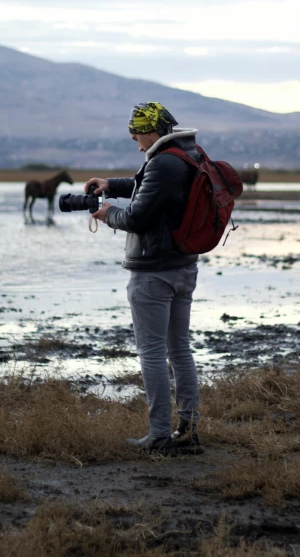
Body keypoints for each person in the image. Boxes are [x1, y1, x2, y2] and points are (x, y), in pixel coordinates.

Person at [85, 102, 202, 456]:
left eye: (137, 136)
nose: (137, 144)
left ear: (151, 130)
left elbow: (136, 217)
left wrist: (108, 214)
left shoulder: (162, 161)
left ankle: (159, 437)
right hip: (183, 266)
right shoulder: (186, 152)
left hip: (154, 272)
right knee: (179, 349)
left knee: (151, 353)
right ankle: (188, 428)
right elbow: (148, 187)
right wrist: (111, 184)